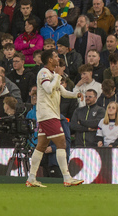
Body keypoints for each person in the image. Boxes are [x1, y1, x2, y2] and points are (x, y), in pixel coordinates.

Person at [26, 49, 83, 187]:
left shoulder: (51, 74)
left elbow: (61, 92)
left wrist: (76, 95)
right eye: (56, 56)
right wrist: (58, 76)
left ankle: (31, 178)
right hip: (48, 114)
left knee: (41, 146)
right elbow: (48, 89)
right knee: (62, 143)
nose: (58, 58)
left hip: (49, 114)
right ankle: (67, 177)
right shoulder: (44, 73)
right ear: (50, 60)